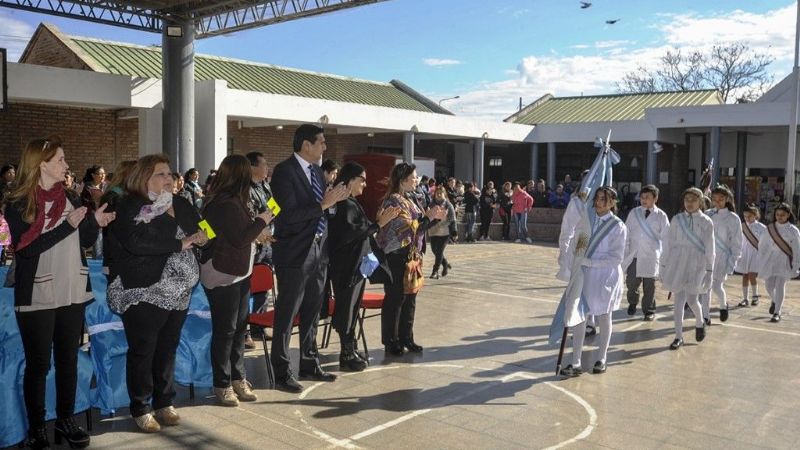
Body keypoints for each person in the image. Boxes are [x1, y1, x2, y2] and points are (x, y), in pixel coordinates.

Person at [5, 137, 115, 449]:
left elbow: (85, 238)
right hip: (37, 294)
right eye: (60, 160)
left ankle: (66, 420)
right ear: (40, 164)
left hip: (73, 289)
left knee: (68, 359)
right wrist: (67, 226)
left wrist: (95, 221)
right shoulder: (19, 202)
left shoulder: (70, 196)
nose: (66, 166)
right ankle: (37, 428)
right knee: (39, 365)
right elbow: (25, 250)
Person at [107, 154, 208, 432]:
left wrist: (205, 237)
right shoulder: (130, 204)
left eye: (169, 174)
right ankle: (141, 406)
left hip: (179, 291)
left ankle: (164, 402)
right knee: (144, 349)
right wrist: (181, 243)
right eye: (161, 174)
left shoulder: (182, 203)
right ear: (144, 178)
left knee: (167, 347)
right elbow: (136, 241)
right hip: (143, 288)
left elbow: (203, 227)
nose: (169, 179)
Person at [269, 124, 350, 393]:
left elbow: (321, 210)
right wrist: (323, 205)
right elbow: (288, 214)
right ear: (306, 145)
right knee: (287, 312)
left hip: (318, 250)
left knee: (313, 310)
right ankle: (281, 371)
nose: (325, 147)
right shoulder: (283, 172)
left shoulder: (317, 171)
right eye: (321, 142)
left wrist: (333, 203)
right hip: (294, 252)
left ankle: (309, 361)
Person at [200, 154, 273, 407]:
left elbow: (236, 235)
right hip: (224, 274)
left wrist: (258, 232)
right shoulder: (225, 203)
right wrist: (263, 220)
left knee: (239, 329)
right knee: (226, 331)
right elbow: (240, 237)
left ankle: (238, 378)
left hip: (240, 271)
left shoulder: (234, 200)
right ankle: (222, 384)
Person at [328, 162, 400, 370]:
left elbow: (360, 231)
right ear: (350, 180)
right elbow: (352, 234)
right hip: (347, 266)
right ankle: (346, 353)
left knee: (353, 306)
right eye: (362, 179)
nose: (365, 184)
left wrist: (377, 224)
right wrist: (378, 224)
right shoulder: (344, 204)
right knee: (346, 308)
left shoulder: (351, 202)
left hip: (358, 264)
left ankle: (351, 348)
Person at [377, 162, 445, 355]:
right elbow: (403, 228)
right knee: (396, 298)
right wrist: (427, 219)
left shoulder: (410, 198)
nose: (417, 179)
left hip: (411, 255)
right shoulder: (393, 201)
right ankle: (392, 341)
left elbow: (418, 227)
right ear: (403, 180)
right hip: (396, 255)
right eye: (414, 177)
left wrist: (433, 218)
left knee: (410, 298)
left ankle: (407, 337)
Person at [559, 187, 626, 377]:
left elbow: (616, 258)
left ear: (613, 202)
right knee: (579, 316)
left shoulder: (618, 226)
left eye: (604, 199)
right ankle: (575, 362)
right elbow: (580, 242)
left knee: (604, 316)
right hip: (584, 275)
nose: (598, 202)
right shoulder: (587, 221)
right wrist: (577, 259)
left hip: (606, 277)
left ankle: (602, 358)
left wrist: (591, 262)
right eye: (596, 198)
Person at [660, 187, 713, 350]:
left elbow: (710, 247)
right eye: (687, 200)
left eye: (694, 200)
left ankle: (699, 321)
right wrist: (663, 264)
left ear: (701, 202)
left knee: (692, 299)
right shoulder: (676, 219)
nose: (689, 203)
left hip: (697, 263)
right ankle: (678, 336)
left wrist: (710, 270)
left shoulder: (706, 222)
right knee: (678, 301)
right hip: (678, 261)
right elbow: (668, 243)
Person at [622, 185, 669, 321]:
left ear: (655, 198)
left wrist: (665, 256)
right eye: (642, 197)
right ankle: (632, 302)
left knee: (650, 286)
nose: (644, 200)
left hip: (651, 255)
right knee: (631, 283)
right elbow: (626, 232)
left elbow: (666, 237)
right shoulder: (634, 213)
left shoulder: (661, 215)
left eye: (647, 197)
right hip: (634, 255)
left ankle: (649, 310)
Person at [244, 151, 274, 348]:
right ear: (253, 167)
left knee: (263, 286)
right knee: (247, 287)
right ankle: (244, 330)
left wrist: (271, 217)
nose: (266, 168)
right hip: (252, 242)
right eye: (263, 164)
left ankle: (258, 326)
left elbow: (274, 207)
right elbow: (249, 216)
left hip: (267, 240)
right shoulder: (244, 189)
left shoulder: (265, 186)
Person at [701, 185, 742, 324]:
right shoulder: (707, 214)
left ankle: (723, 305)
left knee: (717, 286)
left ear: (727, 199)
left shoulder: (733, 218)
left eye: (721, 199)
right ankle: (705, 316)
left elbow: (737, 242)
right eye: (715, 199)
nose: (717, 202)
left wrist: (733, 261)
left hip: (723, 257)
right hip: (706, 255)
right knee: (706, 286)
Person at [756, 203, 800, 322]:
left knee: (780, 284)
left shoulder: (793, 230)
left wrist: (796, 264)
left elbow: (796, 249)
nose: (779, 217)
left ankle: (777, 312)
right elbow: (762, 245)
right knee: (769, 285)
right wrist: (761, 259)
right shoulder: (769, 228)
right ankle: (775, 300)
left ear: (788, 215)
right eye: (777, 215)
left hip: (784, 260)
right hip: (770, 260)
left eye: (782, 215)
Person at [100, 160, 137, 276]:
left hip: (131, 256)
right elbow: (113, 229)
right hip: (117, 257)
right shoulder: (112, 197)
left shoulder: (130, 196)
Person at [736, 204, 766, 307]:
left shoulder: (762, 227)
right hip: (744, 253)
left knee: (752, 275)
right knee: (745, 275)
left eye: (749, 216)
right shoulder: (742, 226)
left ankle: (755, 296)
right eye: (745, 216)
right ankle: (745, 298)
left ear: (755, 215)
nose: (747, 218)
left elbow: (765, 242)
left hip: (755, 254)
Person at [428, 186, 457, 278]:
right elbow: (427, 218)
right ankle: (445, 264)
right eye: (437, 193)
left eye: (441, 193)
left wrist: (454, 232)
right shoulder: (431, 205)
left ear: (445, 194)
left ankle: (435, 271)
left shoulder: (448, 205)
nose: (439, 195)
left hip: (444, 232)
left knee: (439, 251)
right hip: (433, 231)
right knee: (434, 250)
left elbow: (452, 220)